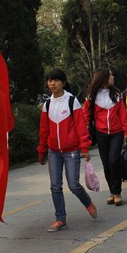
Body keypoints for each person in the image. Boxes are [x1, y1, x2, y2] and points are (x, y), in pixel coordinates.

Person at [37, 69, 97, 231]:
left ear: (63, 82)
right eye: (49, 81)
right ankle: (60, 219)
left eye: (56, 80)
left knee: (73, 184)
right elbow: (43, 130)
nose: (52, 84)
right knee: (55, 186)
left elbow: (80, 127)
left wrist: (84, 147)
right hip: (53, 152)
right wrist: (41, 150)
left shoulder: (72, 102)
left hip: (72, 150)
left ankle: (88, 203)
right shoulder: (47, 104)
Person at [84, 68, 127, 206]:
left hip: (117, 133)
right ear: (103, 78)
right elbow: (85, 116)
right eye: (110, 76)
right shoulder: (91, 97)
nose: (113, 78)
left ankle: (117, 192)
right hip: (101, 134)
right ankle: (112, 192)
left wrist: (126, 132)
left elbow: (123, 115)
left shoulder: (116, 95)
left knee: (114, 160)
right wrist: (84, 133)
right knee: (106, 164)